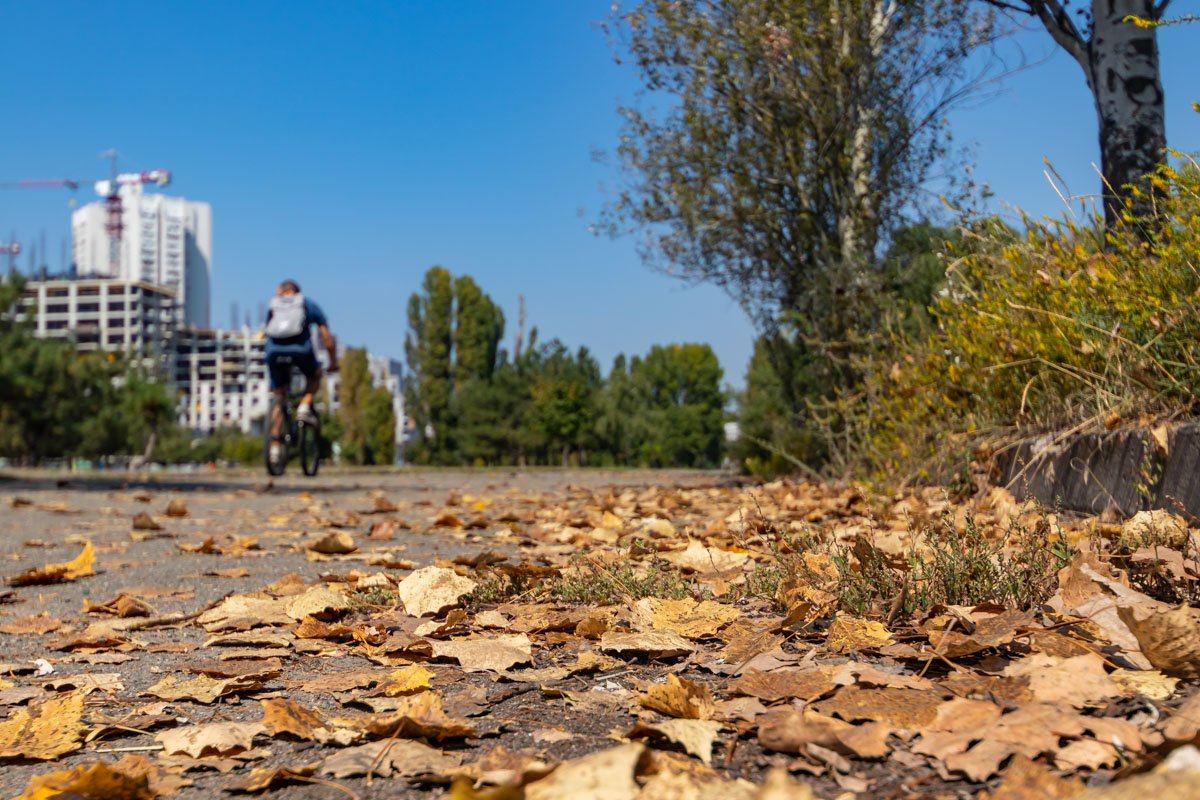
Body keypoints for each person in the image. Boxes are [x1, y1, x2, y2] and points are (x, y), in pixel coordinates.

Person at [264, 280, 337, 458]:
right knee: (315, 375)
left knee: (279, 394)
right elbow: (326, 337)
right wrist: (333, 361)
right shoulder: (307, 304)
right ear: (297, 292)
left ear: (281, 291)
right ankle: (304, 407)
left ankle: (274, 449)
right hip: (301, 352)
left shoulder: (274, 305)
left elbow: (268, 331)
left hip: (273, 352)